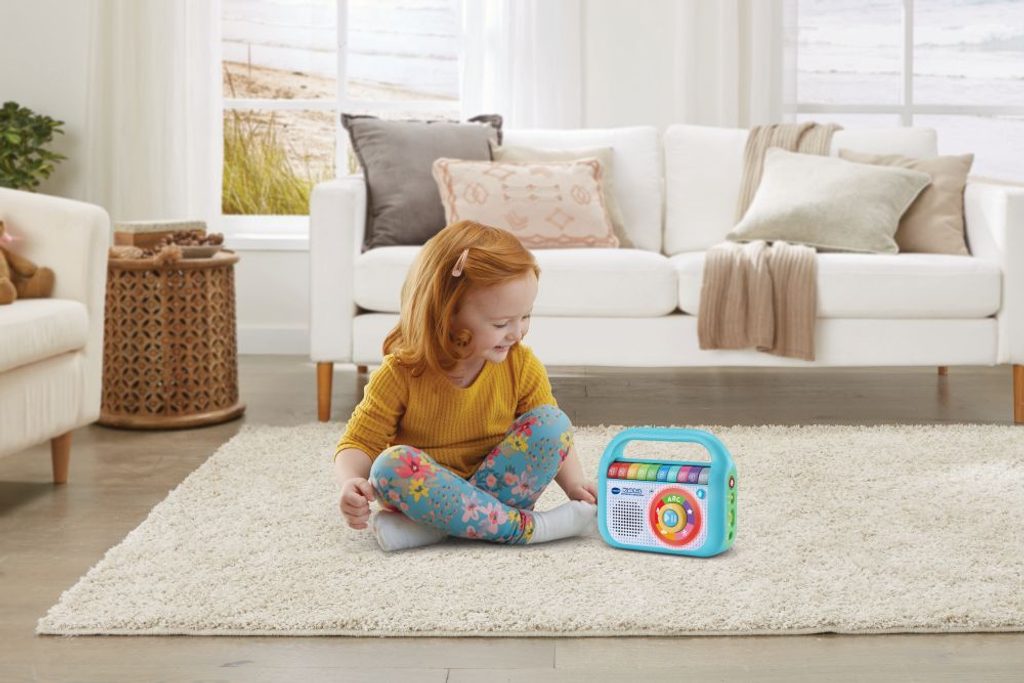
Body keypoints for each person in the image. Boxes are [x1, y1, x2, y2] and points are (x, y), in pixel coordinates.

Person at [333, 220, 598, 551]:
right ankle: (530, 528)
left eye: (525, 316)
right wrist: (351, 482)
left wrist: (575, 484)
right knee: (389, 466)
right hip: (426, 495)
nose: (517, 333)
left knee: (554, 423)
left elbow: (552, 440)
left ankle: (434, 531)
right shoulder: (400, 373)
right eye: (501, 323)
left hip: (500, 488)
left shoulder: (521, 364)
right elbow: (359, 441)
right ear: (447, 315)